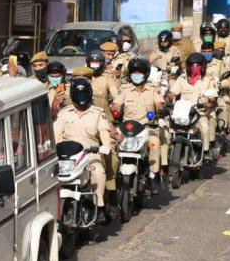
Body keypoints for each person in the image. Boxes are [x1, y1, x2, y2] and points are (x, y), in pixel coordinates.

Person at [53, 77, 114, 222]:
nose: (81, 97)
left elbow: (104, 132)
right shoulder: (64, 113)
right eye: (78, 94)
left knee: (98, 172)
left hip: (89, 155)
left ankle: (98, 207)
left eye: (84, 93)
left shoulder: (98, 113)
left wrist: (105, 146)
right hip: (68, 159)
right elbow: (56, 135)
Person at [111, 57, 165, 190]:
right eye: (134, 72)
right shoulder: (124, 88)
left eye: (139, 72)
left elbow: (159, 103)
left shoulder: (153, 88)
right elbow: (117, 103)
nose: (136, 75)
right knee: (111, 145)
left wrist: (160, 112)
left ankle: (153, 175)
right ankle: (111, 180)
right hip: (127, 129)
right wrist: (115, 109)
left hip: (147, 129)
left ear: (146, 74)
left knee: (155, 143)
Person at [168, 52, 219, 160]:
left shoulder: (208, 79)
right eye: (192, 65)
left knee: (205, 128)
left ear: (203, 66)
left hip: (199, 113)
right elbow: (173, 92)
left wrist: (210, 102)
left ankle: (205, 152)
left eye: (198, 65)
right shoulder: (182, 78)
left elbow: (213, 97)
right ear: (188, 66)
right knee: (166, 127)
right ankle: (168, 153)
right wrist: (168, 98)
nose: (195, 67)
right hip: (182, 114)